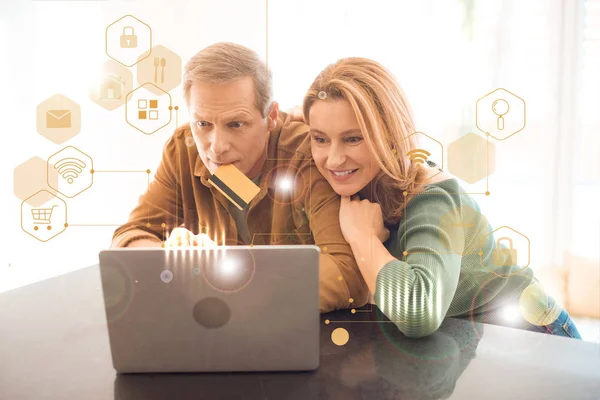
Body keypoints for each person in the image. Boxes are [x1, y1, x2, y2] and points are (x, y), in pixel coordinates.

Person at [300, 57, 582, 338]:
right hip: (467, 344)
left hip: (534, 335)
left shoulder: (433, 198)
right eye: (320, 139)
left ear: (388, 135)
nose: (333, 159)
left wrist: (363, 239)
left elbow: (418, 312)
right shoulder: (356, 180)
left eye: (353, 139)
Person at [111, 43, 370, 313]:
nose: (216, 146)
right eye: (203, 124)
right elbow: (129, 236)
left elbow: (346, 274)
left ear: (270, 116)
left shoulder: (311, 153)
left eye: (236, 124)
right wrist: (172, 258)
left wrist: (226, 278)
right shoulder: (183, 149)